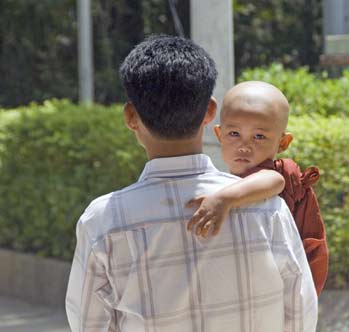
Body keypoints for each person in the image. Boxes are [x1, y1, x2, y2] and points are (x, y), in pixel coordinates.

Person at [65, 35, 318, 332]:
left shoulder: (104, 221)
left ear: (131, 117)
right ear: (210, 113)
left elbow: (89, 324)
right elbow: (300, 315)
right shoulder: (268, 209)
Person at [186, 81, 329, 295]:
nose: (244, 146)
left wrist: (223, 199)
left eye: (259, 136)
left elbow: (273, 181)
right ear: (219, 135)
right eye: (234, 134)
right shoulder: (231, 179)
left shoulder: (275, 174)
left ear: (283, 143)